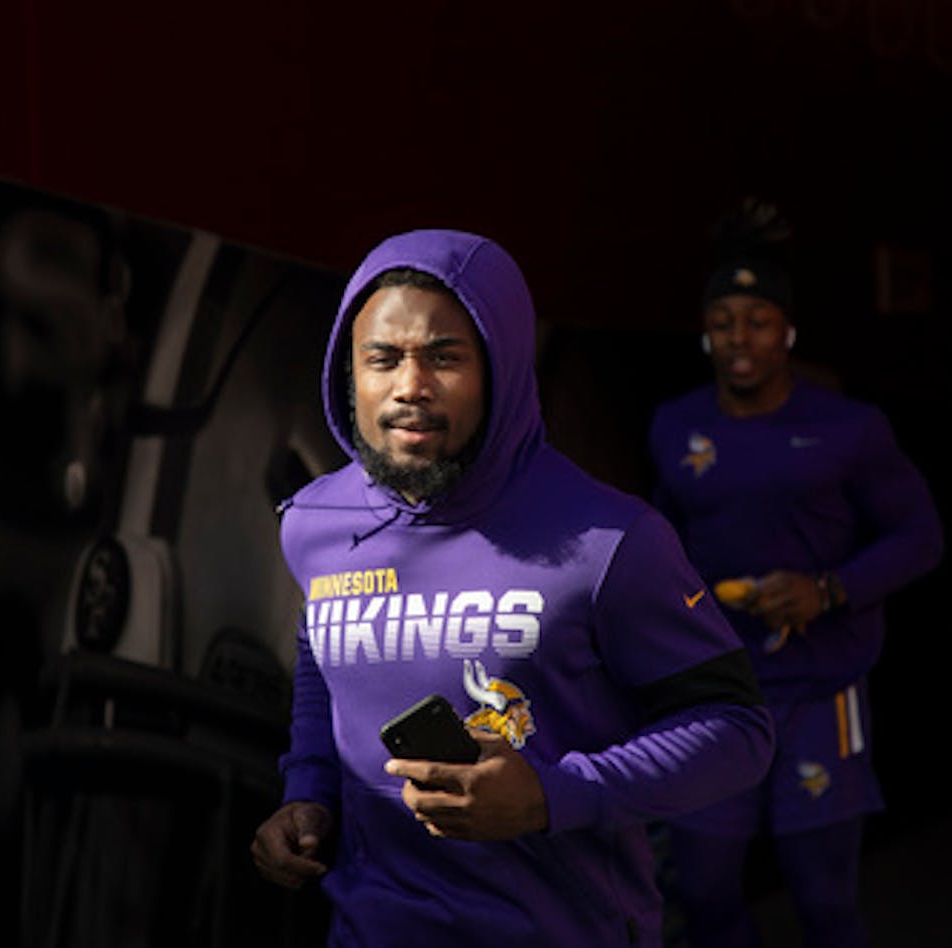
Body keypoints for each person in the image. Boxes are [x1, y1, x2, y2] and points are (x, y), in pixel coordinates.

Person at [250, 228, 776, 946]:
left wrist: (552, 797)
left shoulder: (611, 540)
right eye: (382, 359)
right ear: (350, 374)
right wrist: (308, 792)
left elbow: (737, 731)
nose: (410, 386)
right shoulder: (314, 523)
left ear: (501, 367)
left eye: (444, 357)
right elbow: (322, 654)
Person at [646, 202, 945, 947]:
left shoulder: (849, 427)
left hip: (820, 689)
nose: (739, 338)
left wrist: (829, 589)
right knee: (707, 891)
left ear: (787, 332)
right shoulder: (676, 426)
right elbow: (661, 543)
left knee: (823, 899)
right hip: (715, 694)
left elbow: (921, 535)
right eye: (723, 321)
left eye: (757, 320)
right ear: (705, 334)